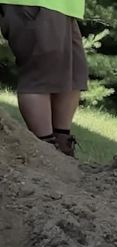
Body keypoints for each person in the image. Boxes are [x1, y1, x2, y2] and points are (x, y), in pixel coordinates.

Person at [0, 1, 87, 157]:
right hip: (34, 3)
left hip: (64, 6)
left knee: (75, 73)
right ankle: (45, 151)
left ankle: (62, 146)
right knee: (39, 75)